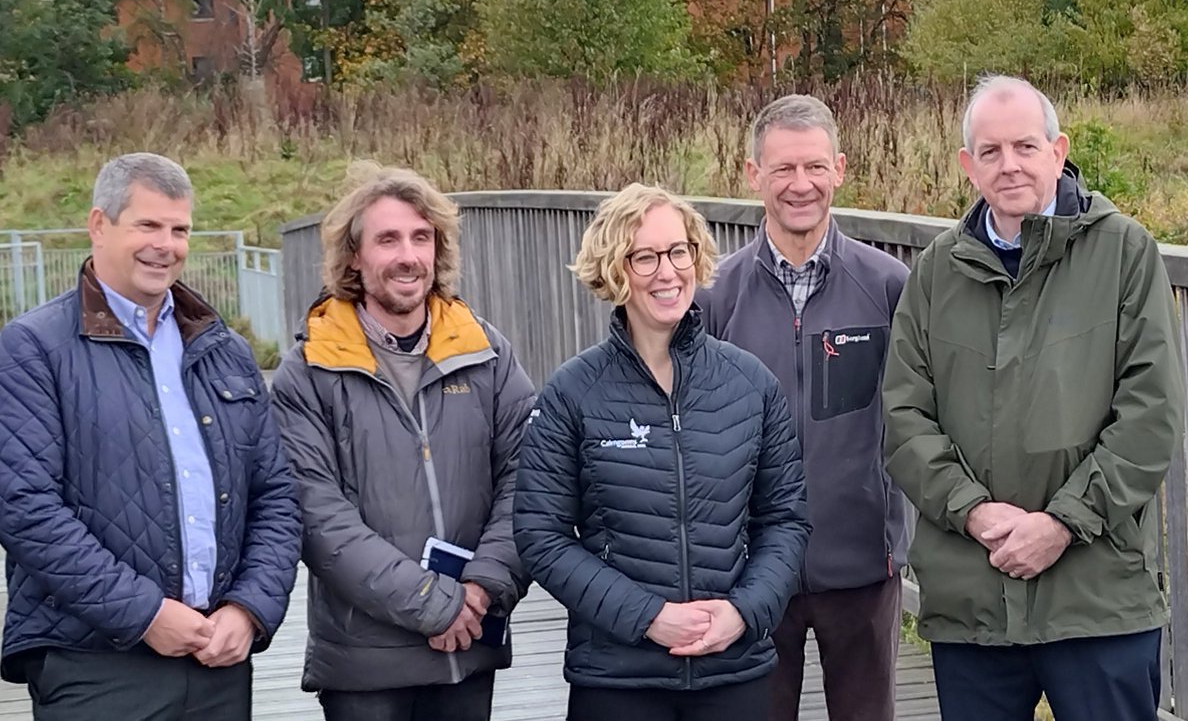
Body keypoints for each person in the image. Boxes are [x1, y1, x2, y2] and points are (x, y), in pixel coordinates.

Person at [883, 75, 1184, 721]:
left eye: (1024, 145)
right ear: (968, 165)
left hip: (1097, 596)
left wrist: (1062, 523)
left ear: (1057, 149)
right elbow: (904, 417)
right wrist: (974, 513)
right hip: (974, 603)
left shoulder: (1125, 253)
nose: (1009, 164)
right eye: (989, 151)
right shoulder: (936, 272)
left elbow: (1150, 414)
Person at [0, 152, 301, 720]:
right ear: (98, 225)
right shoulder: (33, 348)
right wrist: (144, 614)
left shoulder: (225, 353)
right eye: (148, 225)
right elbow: (25, 509)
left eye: (180, 229)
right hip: (94, 663)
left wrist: (249, 608)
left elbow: (277, 498)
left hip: (216, 661)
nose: (166, 244)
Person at [514, 183, 811, 721]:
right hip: (617, 677)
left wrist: (744, 613)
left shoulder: (750, 384)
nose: (667, 272)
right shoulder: (572, 391)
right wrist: (647, 616)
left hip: (735, 668)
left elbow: (786, 520)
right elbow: (542, 535)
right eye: (644, 257)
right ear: (614, 268)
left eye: (678, 251)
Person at [270, 162, 536, 721]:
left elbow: (529, 478)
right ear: (353, 257)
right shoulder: (309, 370)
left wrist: (484, 587)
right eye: (387, 239)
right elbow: (318, 517)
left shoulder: (486, 352)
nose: (407, 256)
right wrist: (433, 604)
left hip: (470, 645)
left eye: (421, 238)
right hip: (366, 664)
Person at [696, 94, 910, 721]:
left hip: (864, 562)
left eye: (815, 167)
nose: (800, 185)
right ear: (752, 175)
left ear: (840, 168)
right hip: (750, 571)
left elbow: (921, 413)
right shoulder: (713, 297)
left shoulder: (888, 286)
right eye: (783, 169)